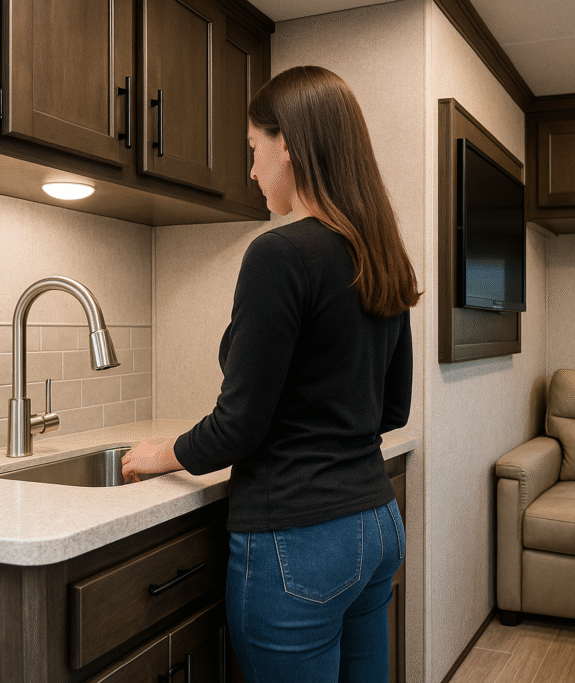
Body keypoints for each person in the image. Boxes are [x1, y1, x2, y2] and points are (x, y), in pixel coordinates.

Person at [121, 65, 420, 683]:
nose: (252, 171)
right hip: (376, 523)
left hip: (298, 541)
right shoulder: (379, 253)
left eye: (254, 151)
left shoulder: (279, 254)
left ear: (288, 144)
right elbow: (392, 411)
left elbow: (239, 426)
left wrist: (163, 454)